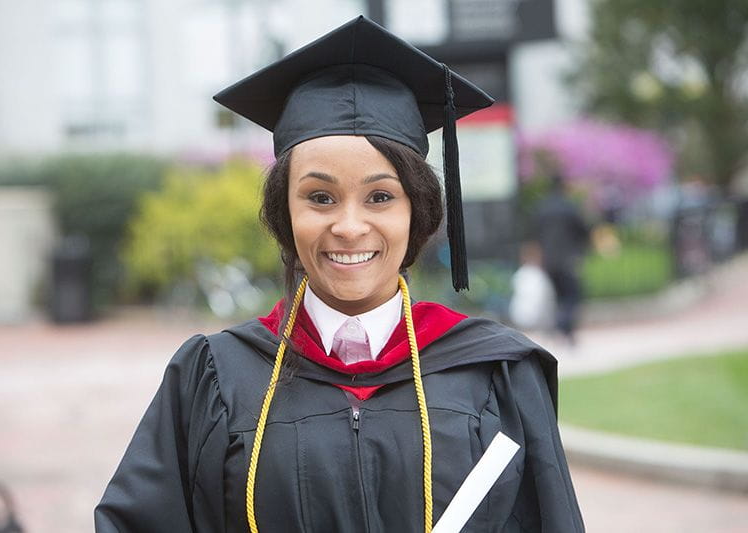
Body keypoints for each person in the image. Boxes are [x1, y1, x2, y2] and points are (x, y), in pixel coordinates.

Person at [95, 17, 584, 532]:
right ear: (284, 213)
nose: (349, 227)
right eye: (320, 197)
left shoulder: (494, 374)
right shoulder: (215, 377)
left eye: (380, 197)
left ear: (416, 211)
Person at [533, 174, 590, 344]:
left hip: (549, 259)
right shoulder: (569, 207)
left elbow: (535, 234)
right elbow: (584, 231)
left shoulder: (542, 208)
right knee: (572, 295)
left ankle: (560, 327)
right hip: (568, 259)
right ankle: (563, 326)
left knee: (558, 296)